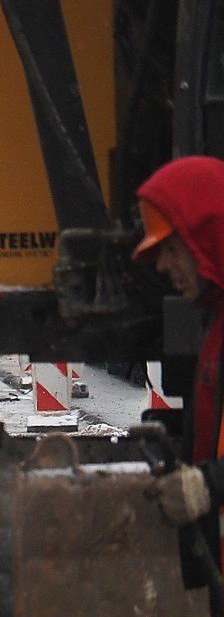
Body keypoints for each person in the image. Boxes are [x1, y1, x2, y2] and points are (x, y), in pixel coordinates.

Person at [128, 158, 224, 534]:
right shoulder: (217, 324)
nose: (163, 266)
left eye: (170, 249)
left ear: (204, 234)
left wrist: (210, 484)